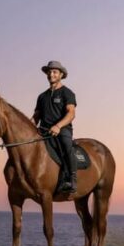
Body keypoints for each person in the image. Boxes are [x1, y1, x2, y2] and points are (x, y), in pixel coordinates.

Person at [32, 60, 77, 193]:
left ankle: (72, 179)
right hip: (43, 131)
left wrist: (58, 126)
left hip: (62, 129)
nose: (51, 74)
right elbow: (36, 117)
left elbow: (71, 113)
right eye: (49, 72)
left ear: (61, 75)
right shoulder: (42, 96)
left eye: (54, 72)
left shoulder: (67, 93)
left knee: (66, 145)